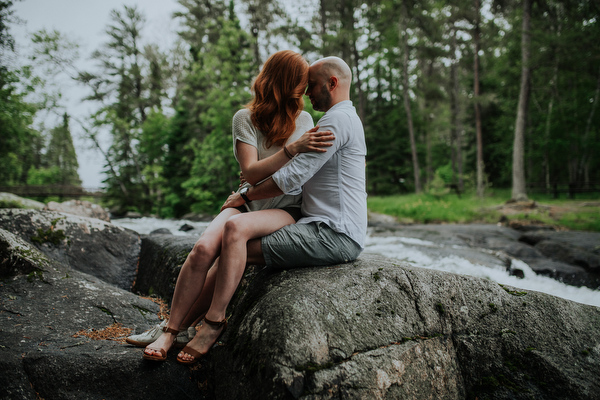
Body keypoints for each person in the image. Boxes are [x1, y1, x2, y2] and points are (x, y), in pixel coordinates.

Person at [140, 50, 335, 361]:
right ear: (283, 82)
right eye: (301, 82)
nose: (306, 89)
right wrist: (291, 149)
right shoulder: (245, 119)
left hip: (285, 208)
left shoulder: (306, 120)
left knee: (234, 231)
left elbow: (293, 173)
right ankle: (171, 331)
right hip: (247, 200)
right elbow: (252, 171)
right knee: (203, 248)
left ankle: (213, 322)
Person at [176, 56, 367, 364]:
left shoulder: (335, 122)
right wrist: (257, 179)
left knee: (231, 249)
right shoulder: (346, 119)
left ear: (332, 84)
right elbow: (298, 176)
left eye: (313, 87)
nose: (306, 94)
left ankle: (208, 324)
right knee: (230, 248)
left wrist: (245, 195)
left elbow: (291, 179)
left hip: (332, 234)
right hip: (325, 227)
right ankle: (183, 326)